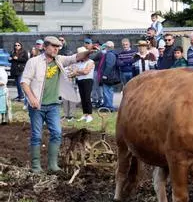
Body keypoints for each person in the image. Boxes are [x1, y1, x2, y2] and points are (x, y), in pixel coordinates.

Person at [21, 37, 92, 172]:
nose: (56, 49)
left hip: (53, 105)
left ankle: (52, 165)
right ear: (45, 47)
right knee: (36, 135)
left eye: (58, 47)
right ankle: (36, 166)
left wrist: (89, 52)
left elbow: (75, 57)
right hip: (37, 105)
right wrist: (32, 99)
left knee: (57, 133)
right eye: (53, 46)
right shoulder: (34, 62)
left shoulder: (59, 60)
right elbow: (24, 81)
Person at [72, 47, 95, 123]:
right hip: (80, 80)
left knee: (87, 97)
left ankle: (89, 115)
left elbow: (86, 72)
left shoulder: (91, 61)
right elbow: (73, 71)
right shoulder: (79, 63)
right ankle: (85, 114)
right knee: (82, 98)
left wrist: (77, 71)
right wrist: (79, 71)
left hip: (88, 80)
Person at [99, 41, 120, 111]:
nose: (105, 48)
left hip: (109, 76)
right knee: (108, 91)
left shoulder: (110, 54)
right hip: (110, 75)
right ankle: (107, 105)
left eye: (106, 46)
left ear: (108, 47)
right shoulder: (111, 53)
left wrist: (105, 75)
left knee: (107, 91)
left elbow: (109, 65)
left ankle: (109, 107)